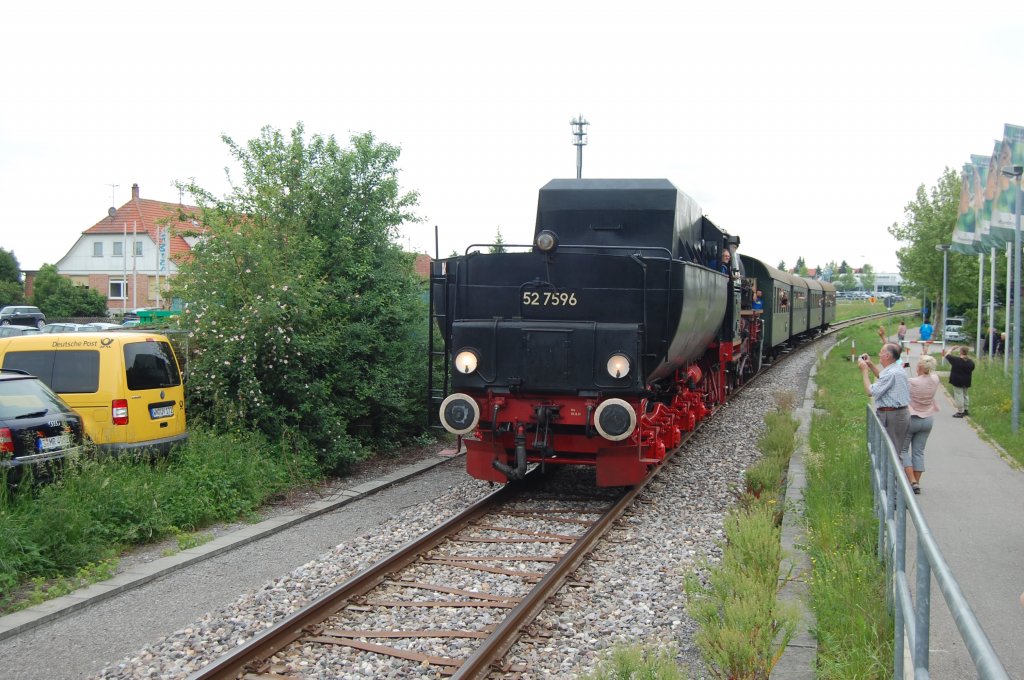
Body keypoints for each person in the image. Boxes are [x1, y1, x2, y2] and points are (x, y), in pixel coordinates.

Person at [859, 342, 911, 455]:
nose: (879, 354)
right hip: (897, 414)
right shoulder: (896, 368)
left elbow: (870, 392)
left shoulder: (891, 373)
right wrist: (871, 365)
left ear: (887, 356)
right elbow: (882, 379)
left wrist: (864, 372)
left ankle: (892, 473)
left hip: (892, 416)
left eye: (881, 352)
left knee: (890, 453)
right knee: (891, 451)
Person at [903, 355, 940, 494]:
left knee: (903, 450)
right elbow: (931, 375)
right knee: (918, 452)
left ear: (919, 367)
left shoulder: (911, 382)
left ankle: (911, 481)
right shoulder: (935, 379)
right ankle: (916, 483)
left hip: (912, 418)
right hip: (928, 419)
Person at [943, 345, 976, 418]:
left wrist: (952, 348)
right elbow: (972, 369)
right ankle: (966, 409)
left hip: (957, 381)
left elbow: (947, 355)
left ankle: (960, 411)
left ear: (961, 352)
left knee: (958, 395)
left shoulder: (956, 360)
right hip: (967, 381)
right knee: (965, 395)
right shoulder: (971, 362)